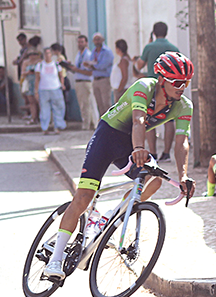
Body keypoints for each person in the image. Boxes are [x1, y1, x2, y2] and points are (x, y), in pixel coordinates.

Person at [43, 51, 197, 279]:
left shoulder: (184, 106)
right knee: (84, 196)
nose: (182, 87)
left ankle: (107, 217)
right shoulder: (144, 87)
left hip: (131, 144)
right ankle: (55, 261)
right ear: (162, 79)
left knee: (154, 180)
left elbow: (181, 141)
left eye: (185, 83)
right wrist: (138, 149)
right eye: (177, 82)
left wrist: (183, 175)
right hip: (107, 137)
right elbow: (139, 120)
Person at [134, 21, 181, 162]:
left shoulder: (149, 47)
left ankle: (153, 152)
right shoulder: (173, 48)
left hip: (153, 86)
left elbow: (139, 65)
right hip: (169, 86)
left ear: (154, 33)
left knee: (148, 119)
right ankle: (166, 153)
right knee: (169, 120)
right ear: (166, 32)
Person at [34, 47, 66, 135]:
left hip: (55, 88)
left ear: (51, 55)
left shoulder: (56, 65)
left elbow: (61, 75)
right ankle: (45, 127)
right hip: (43, 90)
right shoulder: (40, 66)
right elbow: (37, 79)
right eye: (46, 53)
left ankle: (58, 127)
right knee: (44, 110)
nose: (47, 55)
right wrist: (36, 91)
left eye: (49, 53)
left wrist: (62, 84)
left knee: (58, 108)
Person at [85, 33, 114, 118]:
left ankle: (110, 121)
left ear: (102, 40)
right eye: (95, 40)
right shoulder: (93, 51)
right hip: (95, 79)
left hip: (104, 79)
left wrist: (93, 65)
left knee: (106, 103)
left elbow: (103, 65)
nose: (97, 41)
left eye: (99, 39)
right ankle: (103, 122)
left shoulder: (107, 51)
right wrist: (90, 65)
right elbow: (91, 64)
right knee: (99, 103)